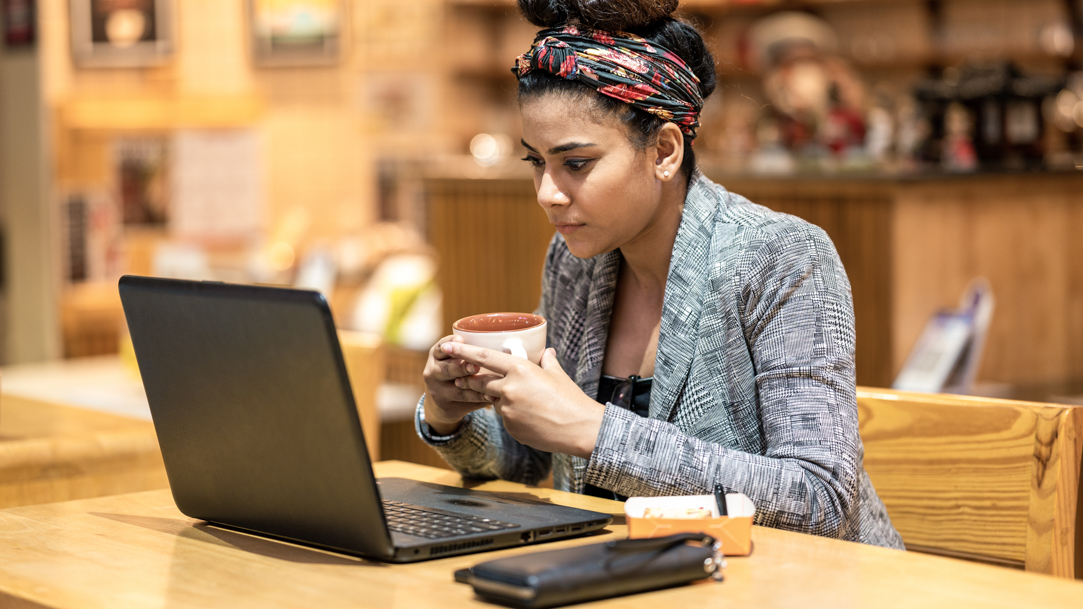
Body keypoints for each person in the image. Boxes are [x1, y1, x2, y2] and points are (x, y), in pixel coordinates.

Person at [416, 0, 904, 549]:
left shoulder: (782, 258)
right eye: (537, 162)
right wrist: (448, 414)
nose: (548, 194)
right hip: (647, 576)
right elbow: (530, 461)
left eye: (575, 163)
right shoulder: (576, 262)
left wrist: (596, 432)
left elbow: (822, 500)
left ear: (665, 151)